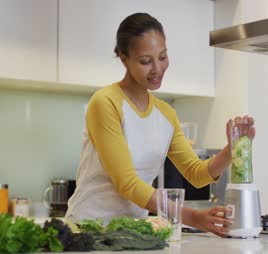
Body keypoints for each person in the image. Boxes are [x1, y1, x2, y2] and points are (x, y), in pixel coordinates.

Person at [65, 12, 255, 237]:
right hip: (87, 230)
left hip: (131, 234)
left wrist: (231, 149)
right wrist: (192, 217)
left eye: (163, 57)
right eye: (146, 61)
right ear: (124, 59)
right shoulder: (106, 102)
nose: (157, 68)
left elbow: (196, 173)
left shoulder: (165, 113)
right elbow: (127, 183)